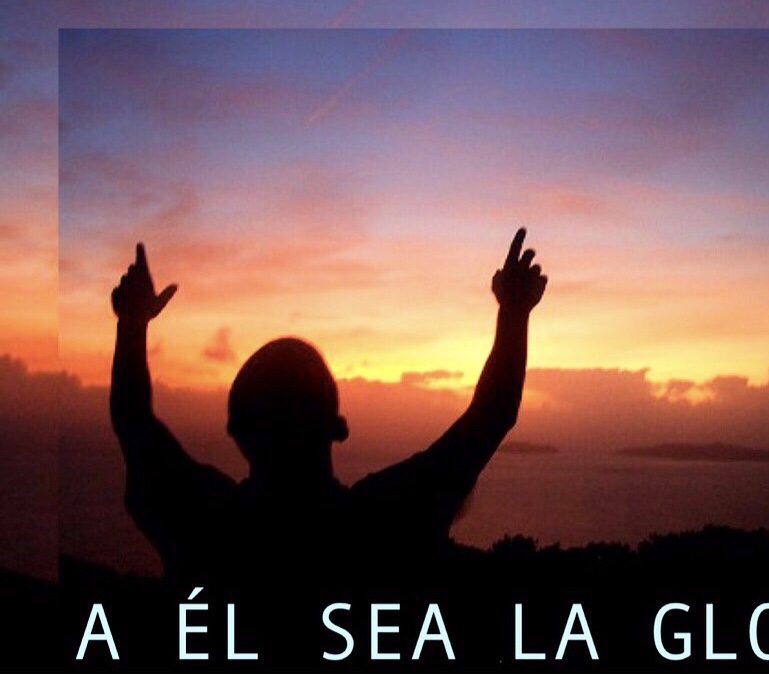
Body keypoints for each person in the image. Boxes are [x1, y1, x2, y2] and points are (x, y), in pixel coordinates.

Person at [109, 229, 547, 587]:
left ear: (236, 430)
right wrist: (513, 312)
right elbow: (493, 414)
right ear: (339, 427)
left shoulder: (205, 522)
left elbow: (133, 421)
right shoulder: (382, 522)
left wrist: (132, 322)